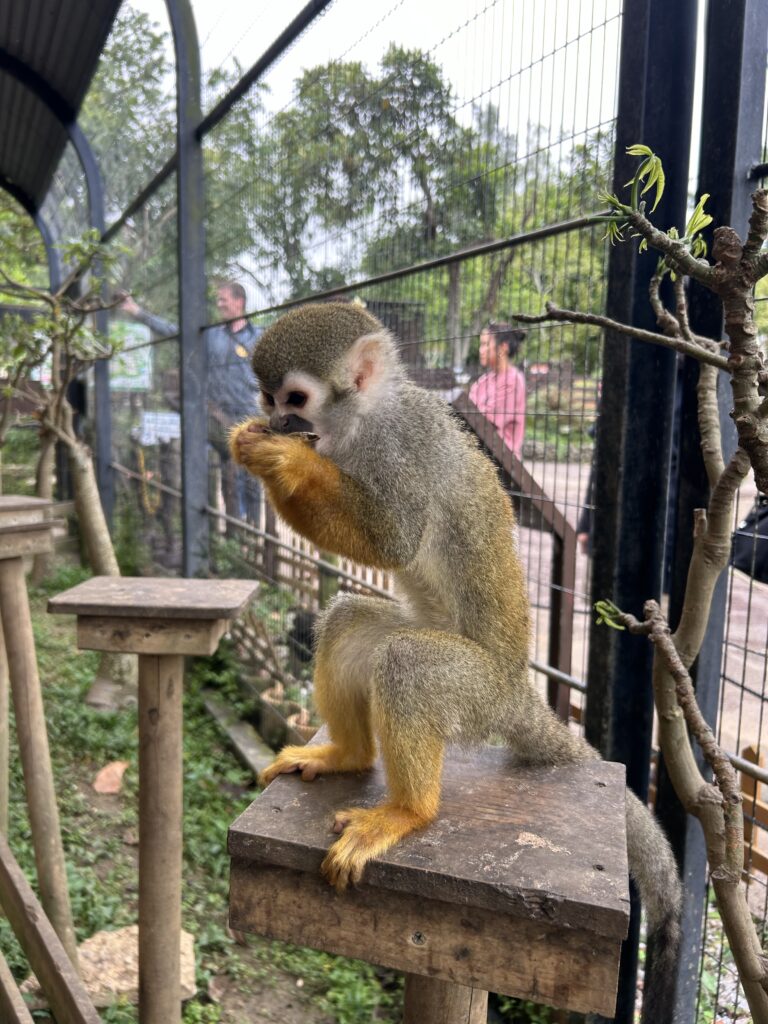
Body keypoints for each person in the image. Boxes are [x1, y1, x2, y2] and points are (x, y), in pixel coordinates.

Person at [120, 281, 262, 526]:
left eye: (223, 299)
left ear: (239, 302)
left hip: (249, 417)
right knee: (214, 472)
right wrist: (138, 313)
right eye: (218, 300)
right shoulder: (211, 334)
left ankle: (253, 529)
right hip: (216, 418)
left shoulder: (258, 337)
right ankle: (222, 530)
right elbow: (175, 330)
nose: (219, 304)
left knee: (251, 477)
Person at [468, 322, 527, 458]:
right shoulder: (483, 381)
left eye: (485, 344)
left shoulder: (513, 380)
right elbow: (468, 413)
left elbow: (488, 421)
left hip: (504, 459)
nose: (480, 350)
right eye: (481, 344)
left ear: (503, 348)